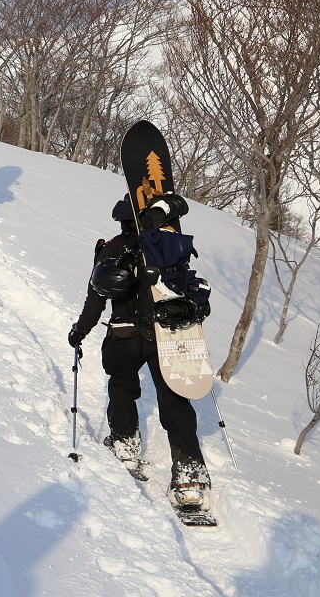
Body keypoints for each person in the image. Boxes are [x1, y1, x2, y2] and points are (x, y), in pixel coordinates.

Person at [67, 196, 211, 507]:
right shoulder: (168, 246)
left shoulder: (114, 247)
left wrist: (80, 330)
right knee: (174, 395)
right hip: (166, 332)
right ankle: (189, 472)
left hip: (125, 332)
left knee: (121, 384)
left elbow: (96, 298)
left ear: (121, 220)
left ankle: (125, 444)